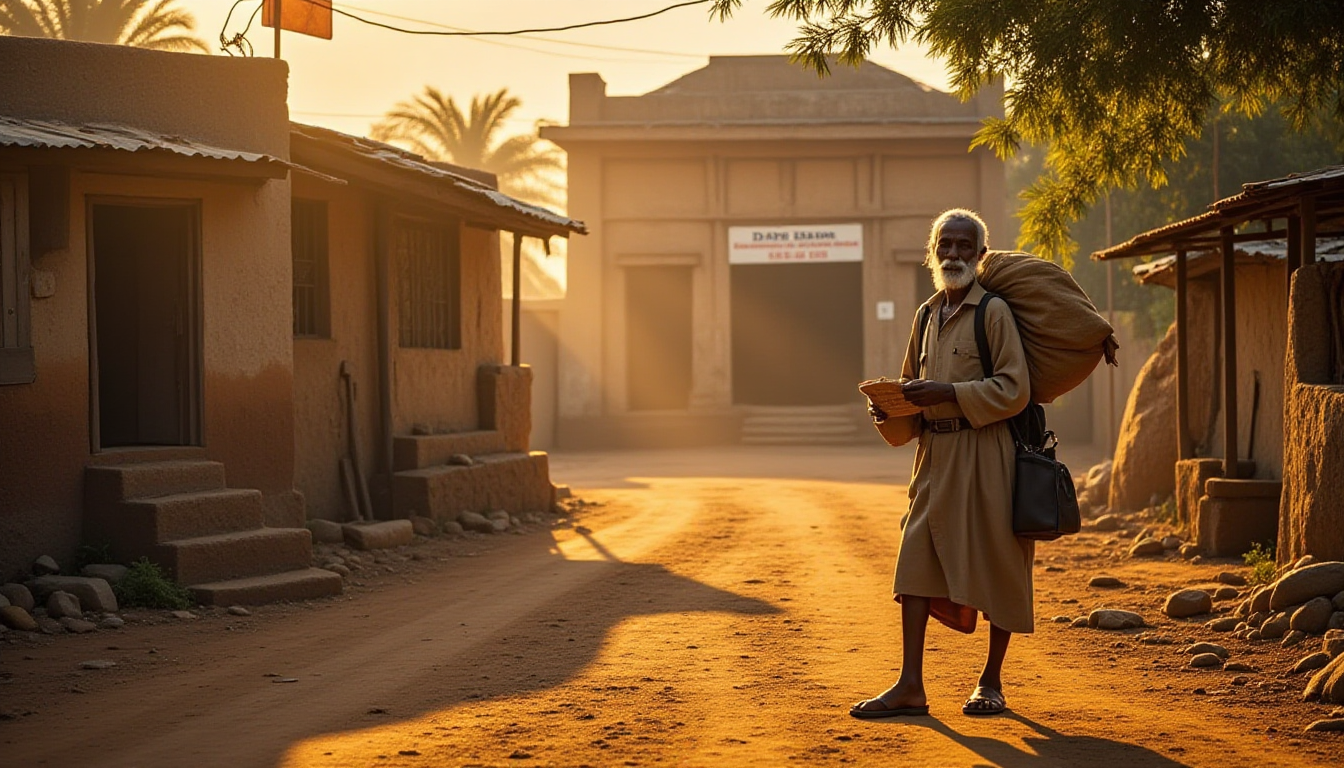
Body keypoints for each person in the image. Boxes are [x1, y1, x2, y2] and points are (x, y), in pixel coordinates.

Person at [851, 208, 1034, 719]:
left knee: (999, 562)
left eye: (963, 246)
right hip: (933, 455)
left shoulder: (993, 312)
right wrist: (889, 408)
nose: (953, 254)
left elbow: (1014, 389)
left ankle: (991, 682)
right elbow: (912, 387)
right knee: (914, 562)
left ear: (980, 254)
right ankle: (911, 685)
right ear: (932, 254)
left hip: (987, 453)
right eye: (945, 245)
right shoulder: (926, 315)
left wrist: (949, 392)